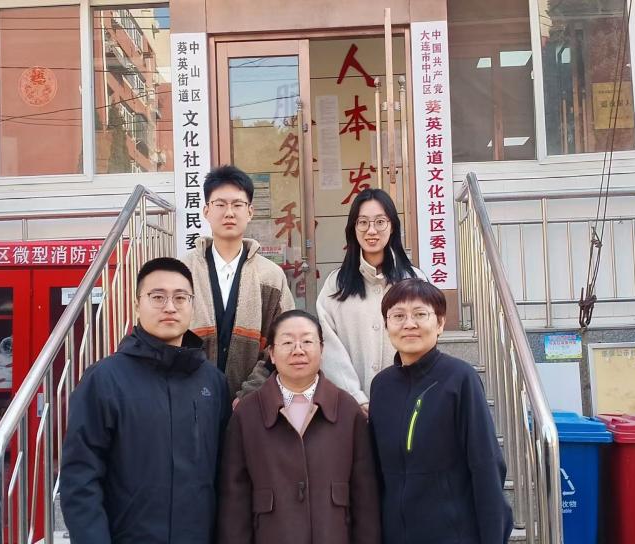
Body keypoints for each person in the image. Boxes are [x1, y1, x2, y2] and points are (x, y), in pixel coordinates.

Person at [60, 257, 230, 543]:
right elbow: (80, 478)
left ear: (192, 305)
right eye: (158, 297)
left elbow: (224, 474)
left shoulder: (212, 382)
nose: (170, 307)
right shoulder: (105, 380)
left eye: (180, 297)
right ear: (137, 304)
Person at [368, 279, 512, 544]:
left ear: (440, 323)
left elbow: (486, 465)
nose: (409, 324)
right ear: (386, 325)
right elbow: (376, 472)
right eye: (398, 316)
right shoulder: (381, 386)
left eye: (420, 314)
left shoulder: (460, 378)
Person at [218, 309, 381, 543]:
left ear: (322, 350)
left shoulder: (347, 409)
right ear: (271, 354)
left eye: (307, 341)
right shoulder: (247, 413)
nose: (298, 350)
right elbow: (234, 499)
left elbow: (365, 496)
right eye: (287, 342)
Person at [182, 165, 295, 402]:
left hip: (252, 405)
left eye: (237, 204)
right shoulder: (184, 272)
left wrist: (250, 395)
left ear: (250, 211)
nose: (229, 212)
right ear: (206, 211)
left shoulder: (271, 277)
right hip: (189, 401)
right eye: (220, 204)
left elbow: (283, 341)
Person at [318, 188, 421, 410]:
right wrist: (356, 397)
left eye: (380, 222)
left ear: (392, 226)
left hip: (406, 404)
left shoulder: (414, 280)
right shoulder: (336, 284)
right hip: (350, 408)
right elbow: (328, 346)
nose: (371, 230)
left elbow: (424, 341)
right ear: (353, 228)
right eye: (363, 222)